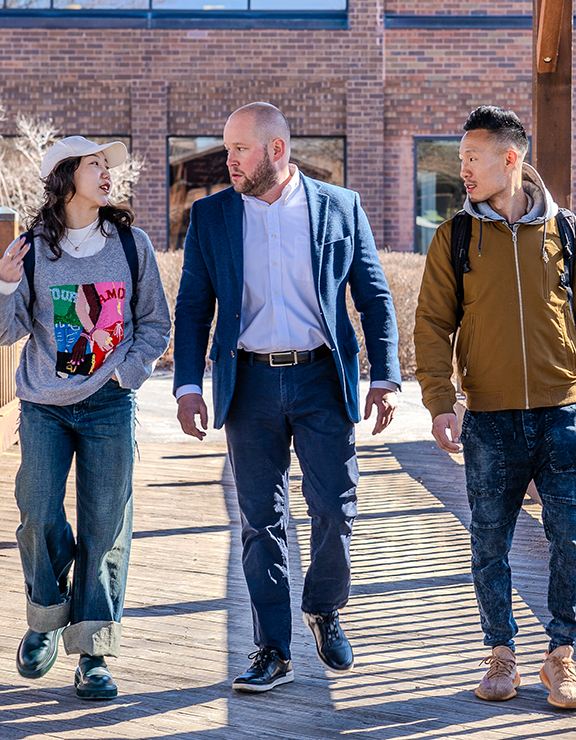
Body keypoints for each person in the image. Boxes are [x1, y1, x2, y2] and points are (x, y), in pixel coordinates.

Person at [174, 102, 401, 692]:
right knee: (260, 521)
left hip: (322, 379)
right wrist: (189, 385)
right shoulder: (211, 216)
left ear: (276, 150)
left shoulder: (340, 207)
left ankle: (324, 608)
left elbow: (374, 297)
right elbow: (194, 306)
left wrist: (384, 375)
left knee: (336, 508)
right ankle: (272, 648)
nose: (228, 161)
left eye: (239, 150)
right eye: (227, 149)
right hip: (246, 385)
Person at [414, 105, 576, 709]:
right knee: (489, 542)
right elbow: (432, 325)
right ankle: (500, 653)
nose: (463, 171)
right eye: (460, 160)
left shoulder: (566, 233)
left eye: (473, 159)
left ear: (511, 160)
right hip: (489, 420)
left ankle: (562, 653)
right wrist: (439, 401)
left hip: (565, 414)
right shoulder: (455, 238)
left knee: (572, 537)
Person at [0, 136, 171, 699]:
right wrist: (4, 283)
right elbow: (8, 332)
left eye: (107, 166)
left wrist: (130, 371)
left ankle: (94, 649)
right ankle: (47, 617)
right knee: (39, 512)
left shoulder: (130, 242)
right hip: (45, 406)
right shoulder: (33, 249)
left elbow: (153, 323)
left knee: (105, 524)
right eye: (95, 165)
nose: (107, 175)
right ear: (66, 177)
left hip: (108, 405)